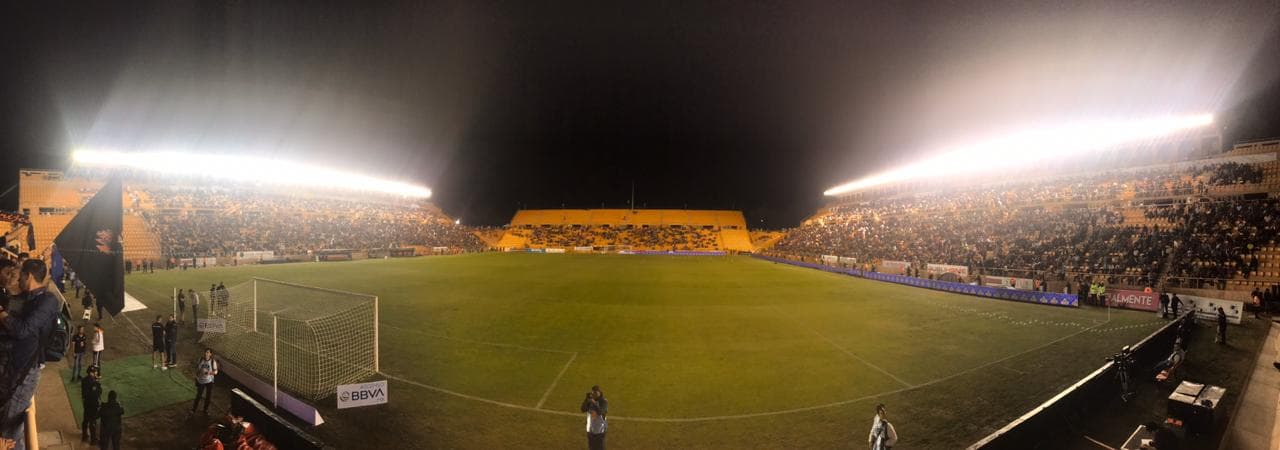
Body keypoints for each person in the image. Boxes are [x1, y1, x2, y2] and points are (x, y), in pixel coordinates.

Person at [0, 259, 61, 450]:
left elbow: (22, 331)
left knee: (9, 432)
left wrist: (1, 313)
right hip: (13, 369)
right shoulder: (27, 298)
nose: (16, 279)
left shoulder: (47, 300)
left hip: (25, 372)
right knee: (7, 425)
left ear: (29, 277)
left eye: (19, 276)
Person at [191, 349, 219, 415]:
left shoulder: (212, 361)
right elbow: (197, 369)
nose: (206, 353)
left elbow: (216, 372)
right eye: (206, 352)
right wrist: (196, 377)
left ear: (210, 354)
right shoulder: (201, 360)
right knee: (198, 395)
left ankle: (205, 410)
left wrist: (209, 373)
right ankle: (193, 409)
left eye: (208, 352)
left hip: (209, 381)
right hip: (201, 380)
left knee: (208, 396)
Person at [79, 366, 101, 445]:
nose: (96, 373)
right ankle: (93, 440)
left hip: (86, 403)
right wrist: (96, 382)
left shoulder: (85, 380)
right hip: (92, 404)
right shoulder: (93, 382)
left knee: (85, 420)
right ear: (91, 373)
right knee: (92, 422)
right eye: (95, 372)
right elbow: (97, 393)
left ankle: (84, 436)